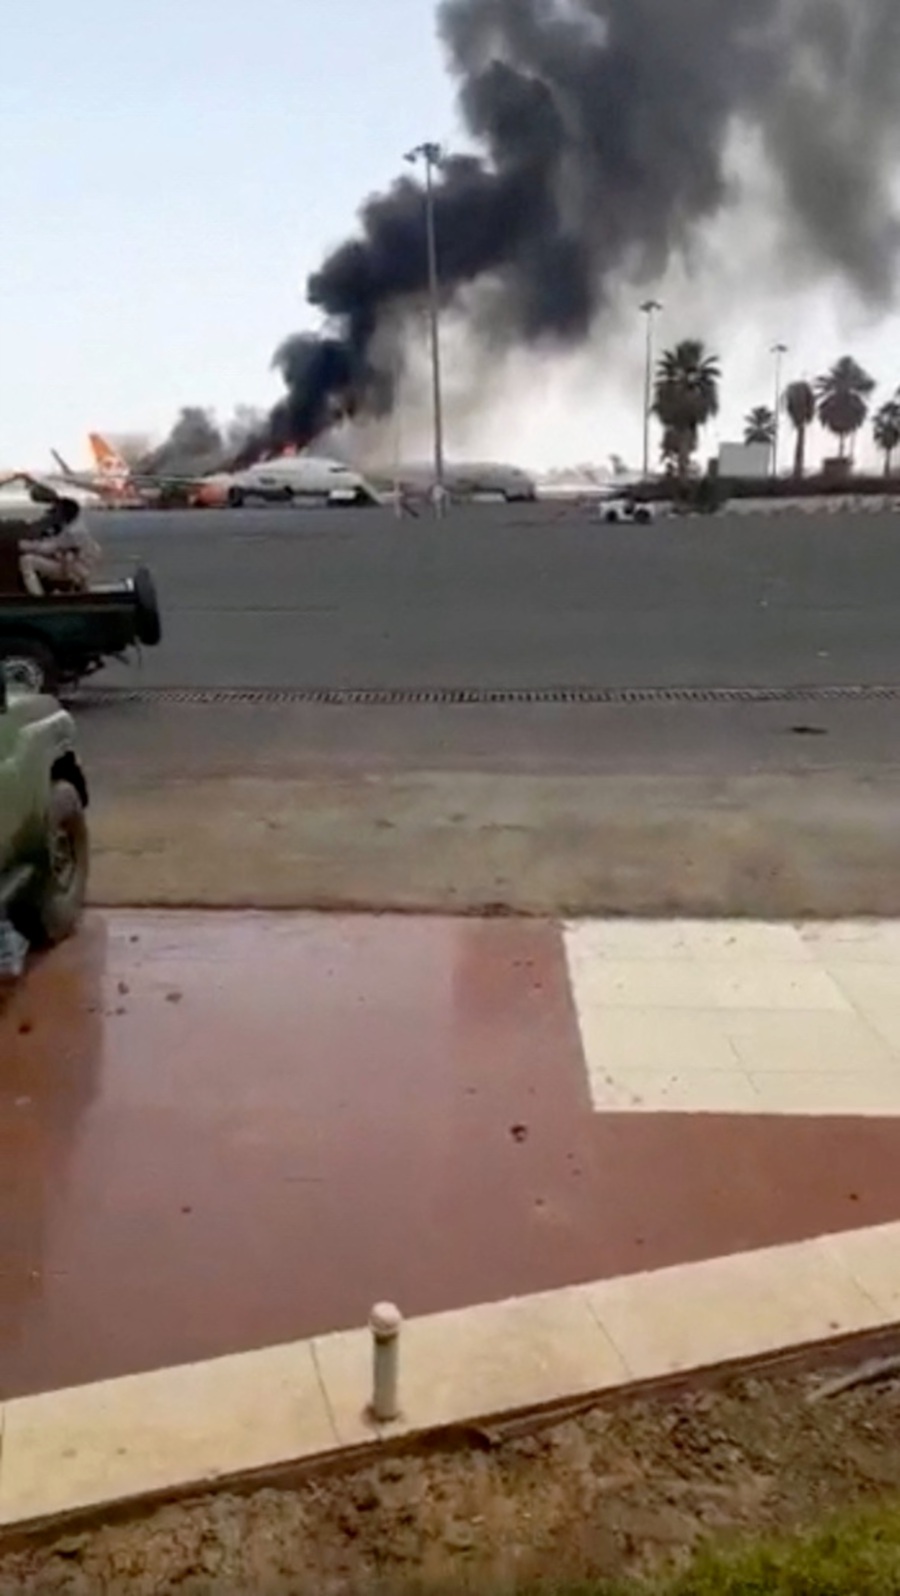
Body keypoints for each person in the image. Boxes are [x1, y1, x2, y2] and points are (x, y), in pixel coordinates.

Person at [17, 481, 101, 596]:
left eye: (57, 512)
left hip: (72, 569)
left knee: (26, 561)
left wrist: (22, 544)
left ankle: (37, 596)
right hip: (77, 565)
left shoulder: (72, 533)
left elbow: (46, 548)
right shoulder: (77, 526)